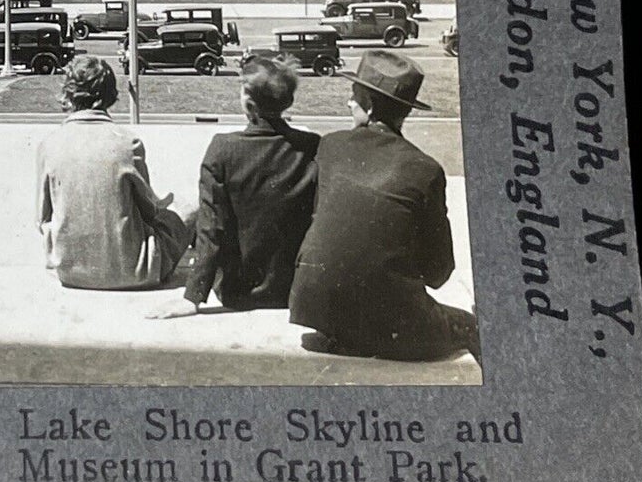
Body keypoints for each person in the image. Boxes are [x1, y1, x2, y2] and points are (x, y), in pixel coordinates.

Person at [288, 51, 479, 362]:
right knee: (472, 325)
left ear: (370, 106)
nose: (349, 103)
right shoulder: (424, 169)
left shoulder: (331, 146)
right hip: (390, 321)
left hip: (318, 311)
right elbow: (439, 273)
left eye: (354, 96)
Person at [149, 55, 319, 320]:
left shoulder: (223, 149)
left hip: (237, 292)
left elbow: (210, 228)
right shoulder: (311, 146)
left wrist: (193, 297)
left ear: (248, 103)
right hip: (292, 290)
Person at [35, 57, 192, 290]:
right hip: (134, 272)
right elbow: (151, 212)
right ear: (109, 95)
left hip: (71, 273)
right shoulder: (128, 143)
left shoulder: (49, 144)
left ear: (69, 95)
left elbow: (42, 218)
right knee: (190, 207)